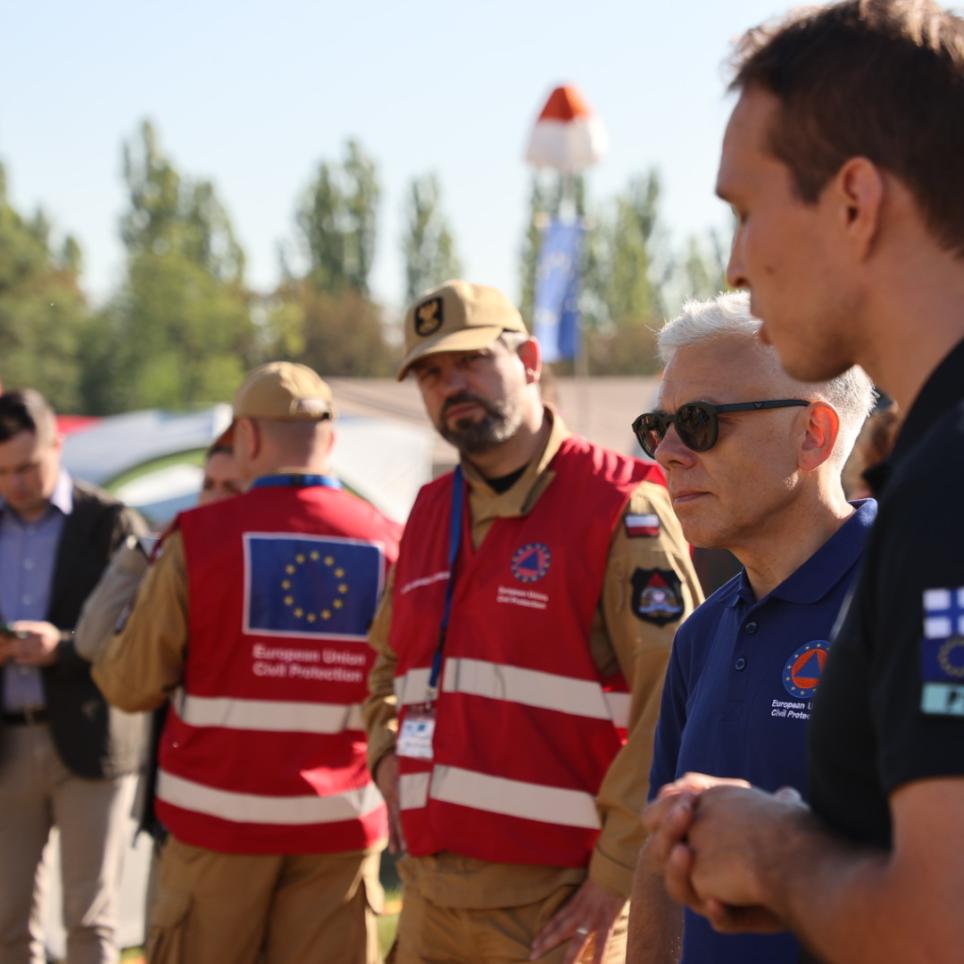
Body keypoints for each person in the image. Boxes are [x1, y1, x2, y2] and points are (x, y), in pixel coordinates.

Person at [643, 2, 964, 962]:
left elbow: (939, 923)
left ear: (855, 201)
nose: (736, 267)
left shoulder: (946, 498)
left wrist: (774, 850)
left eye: (745, 211)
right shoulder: (933, 476)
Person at [364, 280, 702, 964]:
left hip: (561, 909)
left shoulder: (619, 503)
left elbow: (673, 699)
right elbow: (384, 669)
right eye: (430, 373)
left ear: (530, 360)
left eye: (470, 362)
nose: (450, 384)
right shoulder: (428, 511)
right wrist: (387, 758)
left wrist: (612, 882)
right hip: (430, 901)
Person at [92, 362, 401, 964]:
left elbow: (130, 685)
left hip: (215, 834)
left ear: (248, 440)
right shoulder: (393, 540)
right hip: (339, 835)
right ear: (331, 442)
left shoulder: (196, 538)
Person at [625, 292, 876, 964]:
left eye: (701, 422)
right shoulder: (701, 634)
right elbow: (660, 860)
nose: (668, 453)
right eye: (659, 426)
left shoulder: (914, 605)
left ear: (813, 435)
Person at [74, 429, 243, 930]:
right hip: (178, 805)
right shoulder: (172, 561)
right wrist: (143, 550)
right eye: (207, 485)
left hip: (250, 810)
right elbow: (91, 640)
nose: (212, 498)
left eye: (229, 488)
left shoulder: (265, 570)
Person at [0, 389, 146, 964]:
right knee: (8, 921)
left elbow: (137, 634)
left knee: (89, 918)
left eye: (29, 466)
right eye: (4, 471)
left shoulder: (109, 523)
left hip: (90, 738)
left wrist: (60, 647)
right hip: (9, 744)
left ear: (59, 445)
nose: (17, 482)